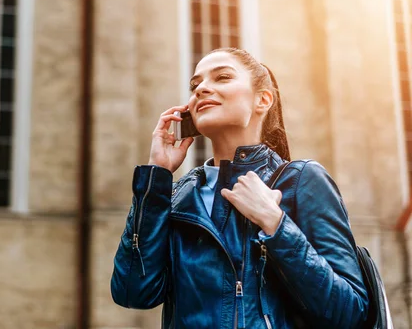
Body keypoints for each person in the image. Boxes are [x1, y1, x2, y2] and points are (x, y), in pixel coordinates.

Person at [110, 48, 369, 328]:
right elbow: (133, 293)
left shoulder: (302, 180)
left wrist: (277, 226)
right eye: (195, 86)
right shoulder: (177, 197)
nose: (202, 89)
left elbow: (351, 312)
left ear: (263, 99)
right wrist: (156, 178)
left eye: (222, 77)